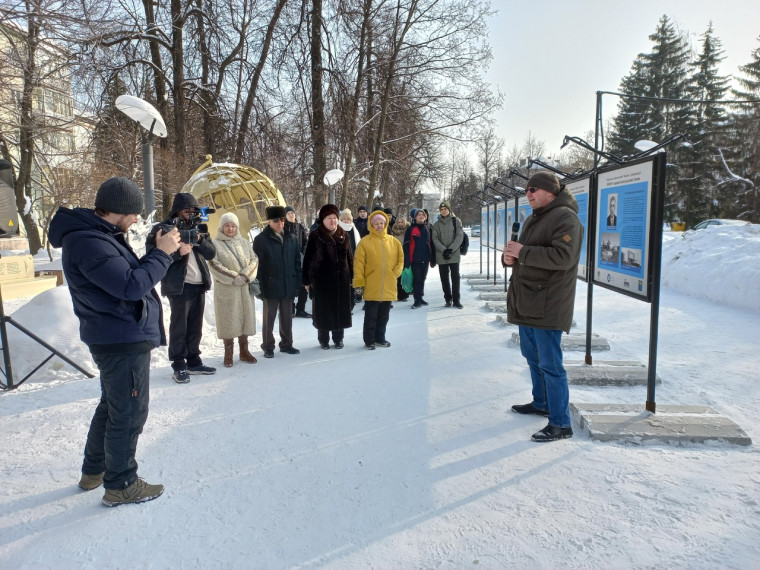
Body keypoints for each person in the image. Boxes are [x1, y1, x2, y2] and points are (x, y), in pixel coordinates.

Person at [48, 177, 181, 506]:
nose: (137, 219)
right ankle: (121, 483)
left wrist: (160, 253)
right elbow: (130, 287)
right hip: (119, 337)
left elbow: (128, 276)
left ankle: (94, 470)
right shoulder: (89, 241)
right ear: (119, 210)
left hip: (118, 333)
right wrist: (161, 255)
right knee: (130, 412)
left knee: (113, 406)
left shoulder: (99, 236)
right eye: (134, 213)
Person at [502, 171, 583, 443]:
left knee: (550, 363)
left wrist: (522, 252)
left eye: (534, 189)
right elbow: (524, 253)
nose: (529, 193)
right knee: (531, 355)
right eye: (526, 190)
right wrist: (510, 258)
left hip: (548, 302)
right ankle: (542, 402)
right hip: (528, 299)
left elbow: (563, 257)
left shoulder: (565, 218)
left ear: (550, 191)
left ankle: (561, 423)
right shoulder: (536, 218)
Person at [147, 193, 217, 384]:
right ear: (177, 211)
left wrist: (200, 240)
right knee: (179, 327)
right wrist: (178, 252)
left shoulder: (199, 228)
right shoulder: (163, 229)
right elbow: (151, 255)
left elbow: (211, 253)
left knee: (195, 326)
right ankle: (178, 364)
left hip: (198, 284)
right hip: (178, 286)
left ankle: (193, 360)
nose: (192, 214)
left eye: (195, 211)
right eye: (188, 211)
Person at [208, 212, 259, 367]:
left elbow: (254, 260)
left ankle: (244, 351)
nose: (230, 228)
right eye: (227, 225)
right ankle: (228, 353)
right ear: (222, 227)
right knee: (228, 320)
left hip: (243, 287)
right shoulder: (214, 243)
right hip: (227, 289)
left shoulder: (244, 242)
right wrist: (232, 277)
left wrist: (245, 275)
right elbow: (213, 264)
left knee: (244, 319)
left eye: (233, 225)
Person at [253, 205, 301, 358]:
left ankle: (287, 344)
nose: (280, 223)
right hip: (270, 285)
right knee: (269, 319)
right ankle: (268, 346)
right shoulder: (261, 240)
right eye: (276, 220)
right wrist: (259, 287)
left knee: (287, 317)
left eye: (282, 219)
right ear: (268, 221)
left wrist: (297, 282)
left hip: (288, 284)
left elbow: (296, 263)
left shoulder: (292, 238)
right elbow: (257, 266)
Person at [302, 204, 353, 349]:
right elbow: (308, 259)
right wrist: (307, 280)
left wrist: (352, 277)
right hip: (322, 281)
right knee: (323, 311)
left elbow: (350, 258)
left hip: (341, 280)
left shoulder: (344, 234)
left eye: (335, 218)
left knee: (340, 309)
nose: (333, 221)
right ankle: (323, 340)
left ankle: (338, 339)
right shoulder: (315, 235)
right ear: (323, 220)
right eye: (329, 218)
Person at [352, 210, 404, 350]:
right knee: (371, 316)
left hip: (388, 284)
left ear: (386, 223)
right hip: (372, 285)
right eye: (376, 223)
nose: (380, 225)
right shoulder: (365, 242)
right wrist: (359, 283)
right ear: (371, 225)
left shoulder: (394, 242)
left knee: (384, 315)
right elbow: (358, 264)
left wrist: (395, 273)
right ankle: (369, 340)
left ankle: (380, 338)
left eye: (382, 223)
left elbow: (401, 260)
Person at [432, 200, 464, 308]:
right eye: (441, 209)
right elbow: (435, 239)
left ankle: (456, 300)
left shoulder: (456, 221)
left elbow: (460, 236)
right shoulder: (436, 224)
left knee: (455, 278)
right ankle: (448, 299)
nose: (443, 211)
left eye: (445, 209)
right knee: (444, 279)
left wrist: (450, 249)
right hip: (441, 255)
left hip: (454, 254)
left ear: (449, 210)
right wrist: (444, 250)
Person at [403, 208, 433, 308]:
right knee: (417, 279)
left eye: (422, 214)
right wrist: (407, 260)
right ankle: (417, 300)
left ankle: (420, 297)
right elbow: (406, 245)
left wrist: (432, 258)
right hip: (414, 259)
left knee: (423, 278)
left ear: (425, 217)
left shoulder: (427, 228)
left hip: (425, 259)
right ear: (415, 217)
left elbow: (430, 244)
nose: (421, 216)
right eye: (419, 215)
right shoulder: (411, 229)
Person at [285, 206, 311, 318]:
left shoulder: (300, 227)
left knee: (303, 285)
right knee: (290, 285)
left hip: (300, 260)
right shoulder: (283, 228)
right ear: (285, 215)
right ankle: (290, 309)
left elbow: (305, 242)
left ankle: (301, 309)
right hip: (288, 261)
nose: (292, 215)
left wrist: (303, 251)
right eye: (289, 213)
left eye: (293, 213)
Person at [391, 214, 411, 302]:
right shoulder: (393, 230)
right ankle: (398, 294)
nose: (400, 224)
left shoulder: (408, 229)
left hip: (406, 253)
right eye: (398, 222)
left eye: (401, 222)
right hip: (396, 255)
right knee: (397, 275)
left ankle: (405, 293)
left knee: (405, 274)